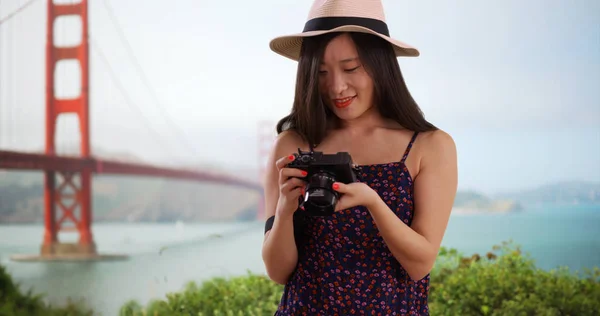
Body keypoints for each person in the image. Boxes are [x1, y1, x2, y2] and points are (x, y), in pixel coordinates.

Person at [261, 0, 458, 314]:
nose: (337, 86)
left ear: (380, 64)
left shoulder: (429, 146)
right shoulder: (292, 144)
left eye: (351, 68)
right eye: (322, 72)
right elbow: (278, 272)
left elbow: (420, 264)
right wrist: (285, 210)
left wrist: (372, 202)